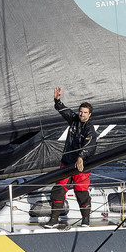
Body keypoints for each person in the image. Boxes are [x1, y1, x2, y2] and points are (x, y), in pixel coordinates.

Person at [53, 87, 96, 226]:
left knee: (81, 191)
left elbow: (90, 145)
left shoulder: (89, 129)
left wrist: (81, 156)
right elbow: (63, 110)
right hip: (67, 162)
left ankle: (85, 220)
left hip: (82, 165)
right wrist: (57, 100)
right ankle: (53, 219)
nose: (82, 115)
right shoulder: (74, 120)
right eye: (80, 112)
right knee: (58, 190)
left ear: (89, 115)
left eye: (85, 113)